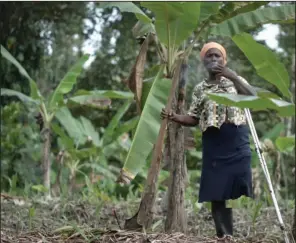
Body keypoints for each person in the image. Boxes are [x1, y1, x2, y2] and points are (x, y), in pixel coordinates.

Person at [161, 42, 256, 242]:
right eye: (209, 56)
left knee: (239, 178)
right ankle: (224, 235)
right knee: (216, 188)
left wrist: (230, 75)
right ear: (204, 61)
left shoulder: (236, 80)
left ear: (224, 59)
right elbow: (194, 118)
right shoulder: (200, 89)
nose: (214, 59)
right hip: (213, 142)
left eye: (217, 56)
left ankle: (231, 230)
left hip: (236, 138)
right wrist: (175, 117)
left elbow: (251, 97)